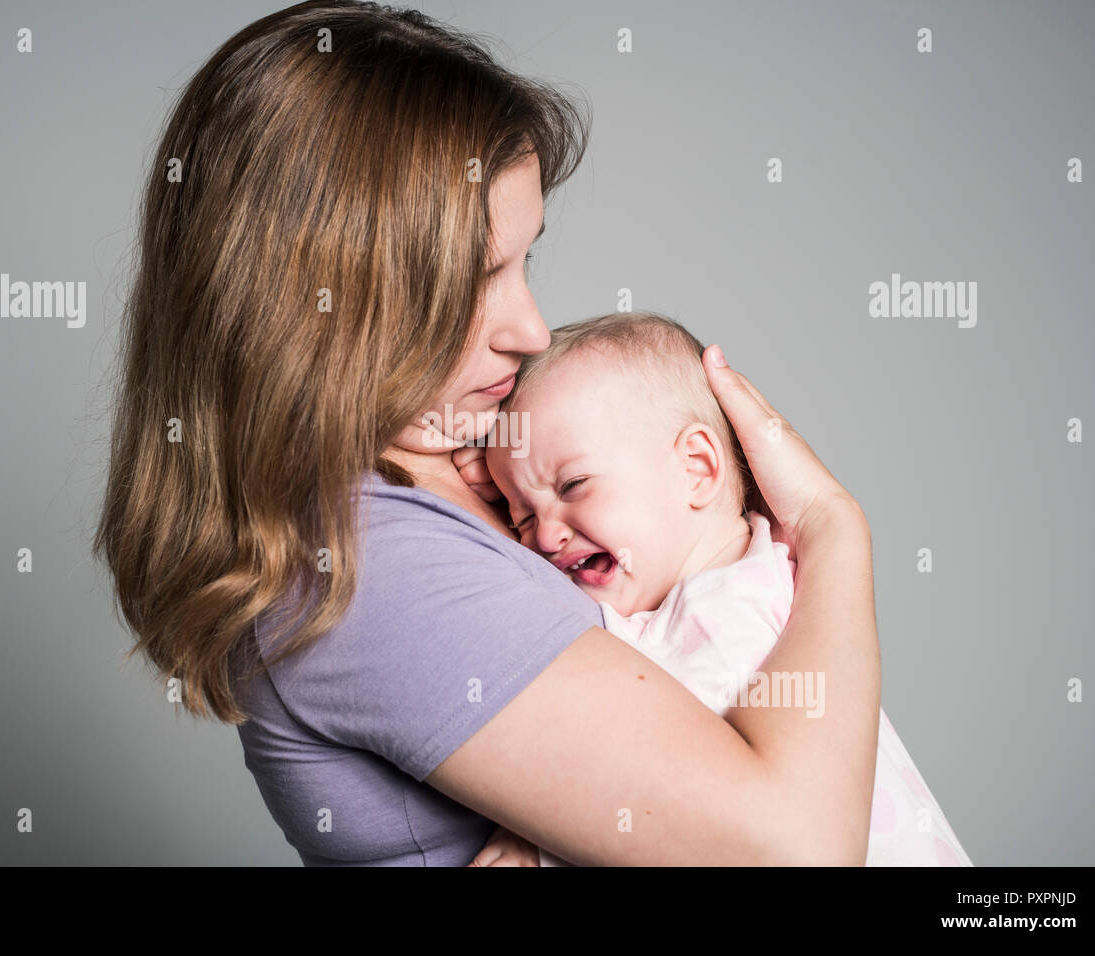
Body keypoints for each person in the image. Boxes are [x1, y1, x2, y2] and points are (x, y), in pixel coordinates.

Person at [92, 0, 881, 866]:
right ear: (315, 300)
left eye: (525, 260)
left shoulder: (482, 455)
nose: (532, 330)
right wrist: (834, 529)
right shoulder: (363, 566)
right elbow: (797, 854)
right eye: (474, 278)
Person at [478, 311, 971, 867]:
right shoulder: (760, 574)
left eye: (573, 485)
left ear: (697, 468)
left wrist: (534, 834)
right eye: (518, 517)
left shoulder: (721, 612)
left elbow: (665, 785)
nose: (544, 533)